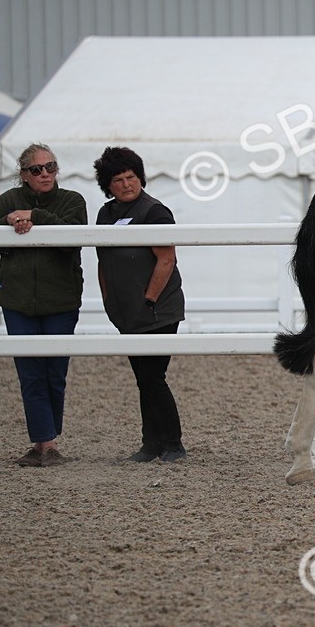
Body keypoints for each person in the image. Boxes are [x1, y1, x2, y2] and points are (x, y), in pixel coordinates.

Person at [0, 143, 86, 467]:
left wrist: (34, 217)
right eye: (36, 169)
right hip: (18, 301)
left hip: (61, 301)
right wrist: (10, 222)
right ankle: (46, 442)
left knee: (55, 372)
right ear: (23, 174)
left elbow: (73, 238)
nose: (45, 174)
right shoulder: (8, 201)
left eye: (50, 167)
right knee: (30, 373)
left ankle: (44, 441)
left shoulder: (73, 201)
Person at [92, 147, 187, 463]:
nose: (126, 184)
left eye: (131, 177)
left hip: (158, 310)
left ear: (140, 178)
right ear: (108, 185)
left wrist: (149, 300)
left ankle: (172, 443)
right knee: (143, 378)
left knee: (152, 377)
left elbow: (166, 259)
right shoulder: (105, 215)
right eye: (118, 180)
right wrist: (108, 300)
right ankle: (151, 443)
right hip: (126, 313)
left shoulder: (155, 212)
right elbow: (102, 261)